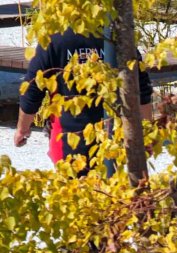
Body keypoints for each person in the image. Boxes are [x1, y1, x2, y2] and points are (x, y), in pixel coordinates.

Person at [14, 30, 154, 165]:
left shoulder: (54, 38)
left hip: (67, 136)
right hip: (114, 136)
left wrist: (22, 129)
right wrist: (146, 131)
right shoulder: (117, 35)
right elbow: (141, 89)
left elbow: (32, 90)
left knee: (72, 186)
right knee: (111, 185)